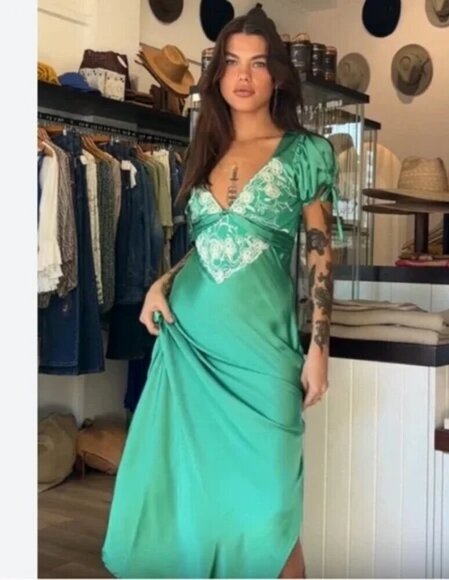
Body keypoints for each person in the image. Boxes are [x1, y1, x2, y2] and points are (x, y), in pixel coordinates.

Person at [102, 5, 340, 578]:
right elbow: (210, 242)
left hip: (263, 355)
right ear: (217, 75)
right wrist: (161, 282)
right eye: (232, 62)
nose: (243, 75)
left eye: (258, 63)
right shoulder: (203, 150)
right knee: (195, 506)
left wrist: (319, 346)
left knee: (272, 516)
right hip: (192, 346)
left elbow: (320, 252)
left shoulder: (306, 152)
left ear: (277, 75)